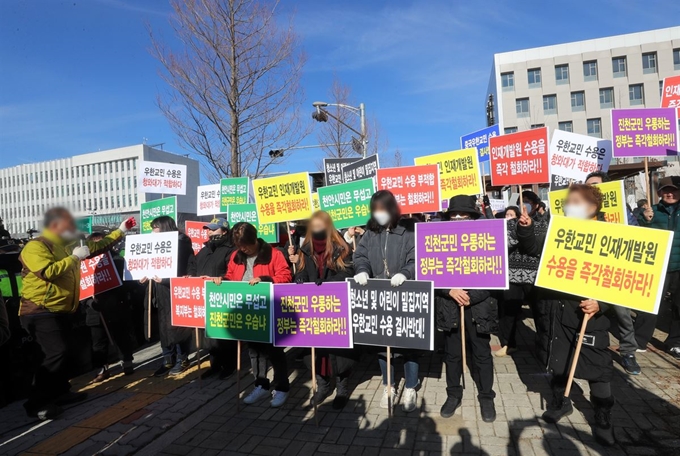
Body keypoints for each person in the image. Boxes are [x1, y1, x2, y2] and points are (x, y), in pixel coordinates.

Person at [518, 184, 616, 446]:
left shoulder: (610, 234)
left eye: (576, 202)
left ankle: (603, 414)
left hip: (588, 311)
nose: (569, 206)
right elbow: (532, 249)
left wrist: (601, 303)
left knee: (597, 366)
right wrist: (526, 228)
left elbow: (622, 280)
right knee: (558, 357)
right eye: (568, 202)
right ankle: (561, 401)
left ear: (592, 207)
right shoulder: (557, 229)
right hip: (555, 306)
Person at [19, 207, 135, 419]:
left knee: (66, 352)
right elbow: (47, 272)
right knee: (55, 352)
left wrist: (121, 230)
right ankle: (37, 403)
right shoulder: (35, 247)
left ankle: (60, 392)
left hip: (63, 308)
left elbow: (98, 246)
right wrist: (74, 258)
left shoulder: (68, 244)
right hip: (39, 310)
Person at [352, 190, 418, 412]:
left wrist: (407, 273)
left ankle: (410, 386)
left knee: (409, 343)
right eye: (375, 210)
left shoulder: (408, 229)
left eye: (382, 209)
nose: (379, 214)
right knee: (382, 343)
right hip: (379, 295)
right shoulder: (370, 233)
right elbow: (360, 256)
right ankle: (388, 385)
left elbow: (417, 257)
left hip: (404, 293)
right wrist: (362, 270)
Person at [436, 195, 499, 422]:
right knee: (452, 354)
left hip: (478, 307)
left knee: (482, 353)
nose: (459, 219)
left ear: (473, 217)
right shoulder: (439, 241)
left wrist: (471, 296)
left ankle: (486, 396)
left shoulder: (487, 239)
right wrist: (449, 290)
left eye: (464, 216)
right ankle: (453, 394)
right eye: (454, 216)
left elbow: (496, 277)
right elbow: (430, 273)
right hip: (450, 306)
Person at [288, 211, 356, 409]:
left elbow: (348, 272)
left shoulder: (340, 247)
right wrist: (299, 277)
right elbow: (299, 271)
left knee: (339, 352)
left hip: (335, 307)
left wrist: (328, 283)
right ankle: (323, 385)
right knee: (315, 352)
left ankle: (342, 388)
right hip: (313, 309)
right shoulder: (305, 249)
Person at [227, 222, 292, 407]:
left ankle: (281, 388)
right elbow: (231, 277)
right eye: (239, 246)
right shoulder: (236, 256)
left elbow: (286, 277)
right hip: (248, 313)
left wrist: (265, 280)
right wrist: (221, 281)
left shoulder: (274, 254)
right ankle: (261, 385)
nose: (243, 249)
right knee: (254, 352)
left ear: (254, 239)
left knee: (274, 352)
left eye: (245, 245)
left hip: (270, 311)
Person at [585, 171, 643, 373]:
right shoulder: (579, 210)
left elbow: (636, 232)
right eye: (587, 186)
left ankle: (628, 351)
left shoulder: (621, 210)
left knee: (622, 313)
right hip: (588, 269)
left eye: (595, 185)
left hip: (614, 268)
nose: (590, 189)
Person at [142, 216, 196, 377]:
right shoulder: (152, 245)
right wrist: (142, 277)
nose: (153, 231)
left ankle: (183, 358)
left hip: (174, 291)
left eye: (156, 227)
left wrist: (167, 280)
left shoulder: (182, 244)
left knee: (177, 326)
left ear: (165, 227)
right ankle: (168, 359)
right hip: (158, 291)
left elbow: (190, 271)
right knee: (163, 327)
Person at [84, 233, 136, 382]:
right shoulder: (83, 264)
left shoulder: (118, 260)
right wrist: (88, 302)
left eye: (102, 244)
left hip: (117, 306)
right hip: (94, 309)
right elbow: (80, 288)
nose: (100, 248)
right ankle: (102, 369)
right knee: (98, 342)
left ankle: (126, 362)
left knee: (122, 337)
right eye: (96, 245)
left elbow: (128, 283)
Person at [638, 176, 680, 359]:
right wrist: (645, 220)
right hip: (657, 265)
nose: (670, 193)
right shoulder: (651, 212)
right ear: (659, 193)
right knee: (649, 303)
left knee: (679, 306)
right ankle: (639, 340)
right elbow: (638, 234)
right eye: (665, 190)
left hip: (679, 267)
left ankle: (675, 342)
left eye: (674, 190)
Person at [195, 218, 238, 380]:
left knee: (224, 335)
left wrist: (220, 278)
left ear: (225, 231)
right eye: (208, 229)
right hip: (204, 296)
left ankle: (229, 366)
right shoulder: (205, 249)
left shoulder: (231, 249)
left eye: (214, 229)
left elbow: (232, 272)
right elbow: (194, 266)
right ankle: (215, 365)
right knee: (209, 335)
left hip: (222, 295)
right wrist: (189, 277)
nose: (210, 232)